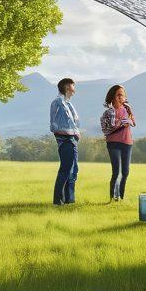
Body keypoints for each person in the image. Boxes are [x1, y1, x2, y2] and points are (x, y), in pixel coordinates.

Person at [100, 84, 135, 201]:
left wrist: (129, 117)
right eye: (119, 95)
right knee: (116, 171)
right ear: (112, 97)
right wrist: (122, 122)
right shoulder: (108, 112)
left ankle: (121, 197)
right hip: (113, 143)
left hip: (127, 143)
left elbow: (133, 123)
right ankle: (113, 198)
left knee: (125, 172)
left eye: (123, 95)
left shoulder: (127, 109)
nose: (121, 97)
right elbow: (108, 128)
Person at [50, 77, 80, 205]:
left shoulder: (68, 103)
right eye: (73, 85)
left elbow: (73, 122)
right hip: (65, 139)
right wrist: (67, 135)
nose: (75, 88)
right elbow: (54, 124)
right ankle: (58, 201)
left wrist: (76, 134)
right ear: (68, 87)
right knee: (66, 169)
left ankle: (69, 200)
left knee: (73, 170)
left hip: (72, 139)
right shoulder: (57, 102)